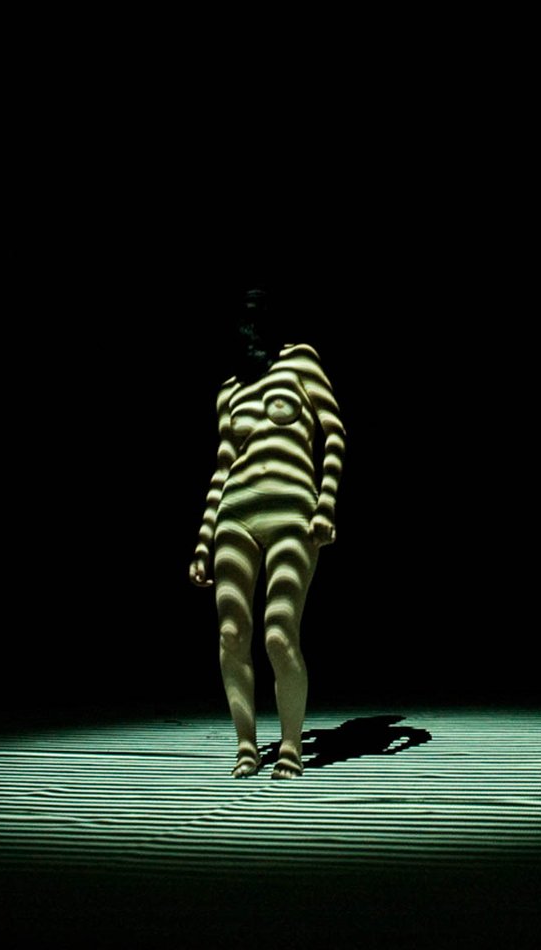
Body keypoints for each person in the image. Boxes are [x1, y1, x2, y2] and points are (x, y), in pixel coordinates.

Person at [189, 288, 345, 779]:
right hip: (234, 513)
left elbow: (334, 432)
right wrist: (203, 539)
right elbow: (222, 467)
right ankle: (246, 744)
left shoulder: (299, 361)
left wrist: (326, 502)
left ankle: (291, 745)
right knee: (231, 633)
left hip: (292, 510)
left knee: (279, 632)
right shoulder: (229, 390)